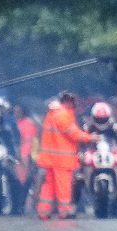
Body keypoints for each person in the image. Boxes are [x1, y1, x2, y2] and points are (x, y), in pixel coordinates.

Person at [36, 90, 99, 220]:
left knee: (49, 185)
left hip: (50, 158)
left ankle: (44, 211)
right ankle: (64, 211)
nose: (75, 105)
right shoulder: (63, 114)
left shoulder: (52, 113)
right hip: (61, 159)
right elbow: (73, 133)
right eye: (73, 102)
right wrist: (90, 137)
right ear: (68, 102)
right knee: (63, 186)